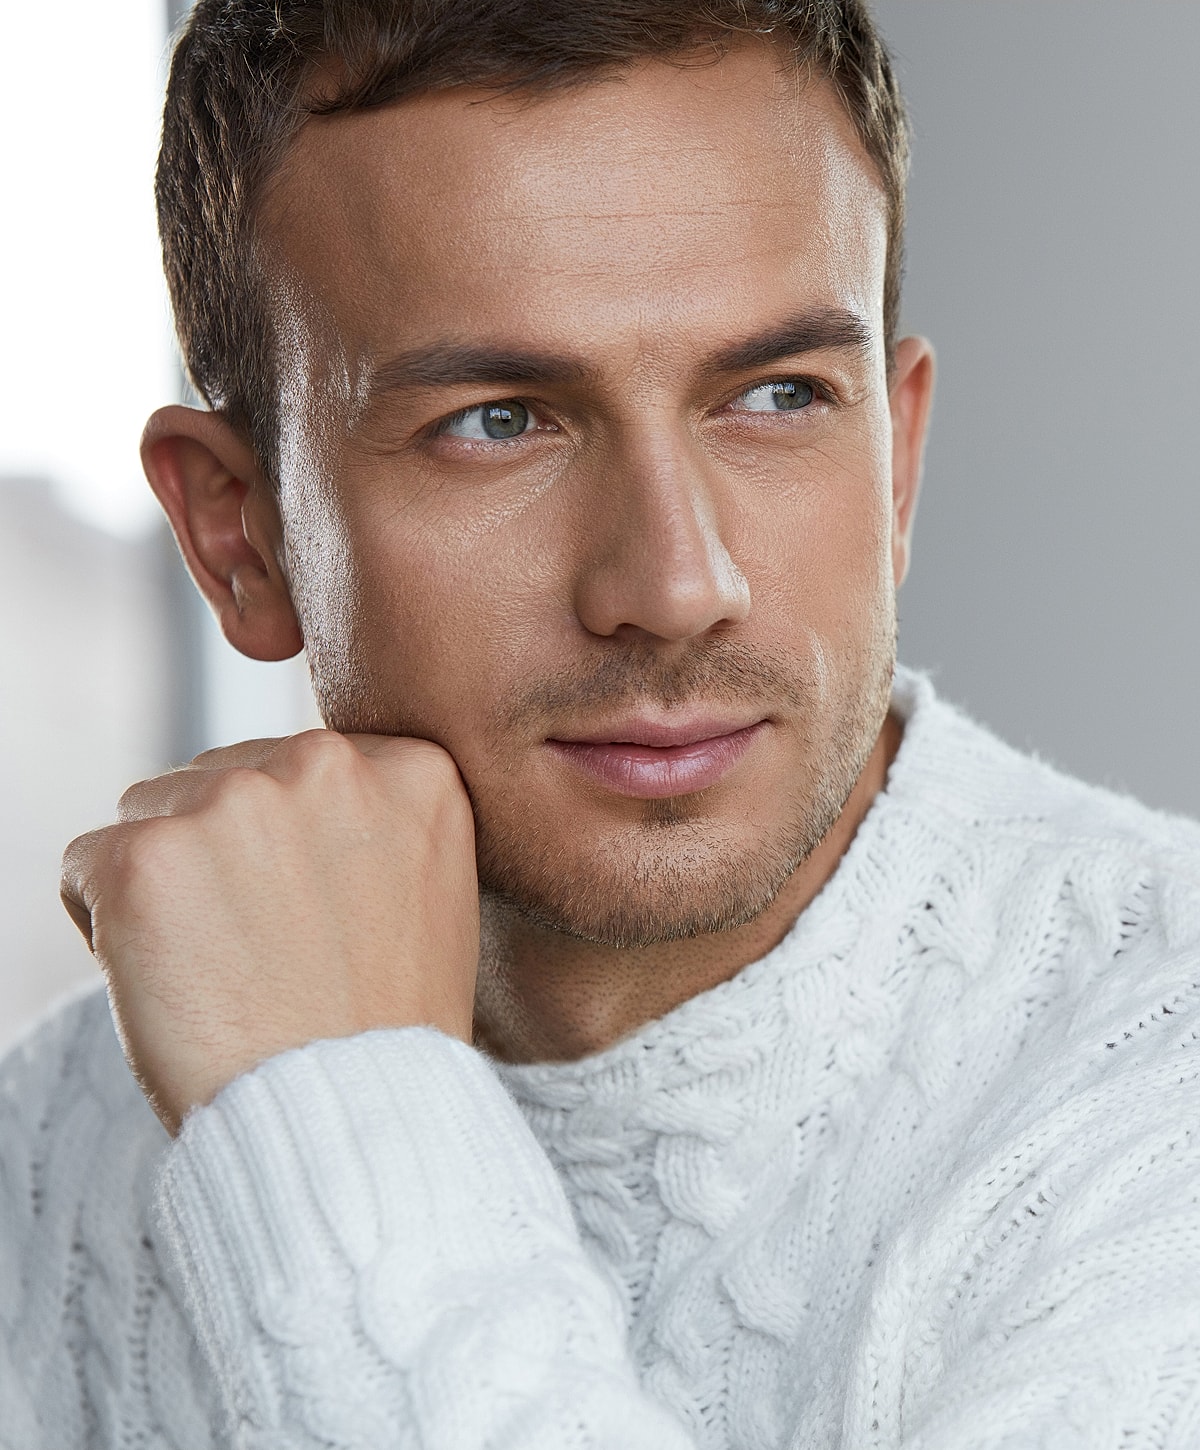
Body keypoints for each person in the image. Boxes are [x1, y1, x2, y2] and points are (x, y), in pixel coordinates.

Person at [3, 0, 1199, 1444]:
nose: (677, 587)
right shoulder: (46, 1154)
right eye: (499, 420)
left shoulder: (1163, 1082)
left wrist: (333, 1115)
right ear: (239, 536)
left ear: (896, 462)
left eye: (777, 396)